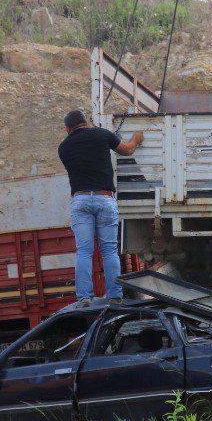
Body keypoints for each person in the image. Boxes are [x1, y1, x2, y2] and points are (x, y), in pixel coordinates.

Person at [57, 109, 143, 306]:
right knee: (109, 250)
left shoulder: (63, 148)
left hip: (80, 201)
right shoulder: (101, 134)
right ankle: (114, 296)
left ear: (67, 129)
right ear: (85, 122)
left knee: (84, 251)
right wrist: (137, 138)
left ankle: (84, 297)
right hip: (105, 199)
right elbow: (127, 150)